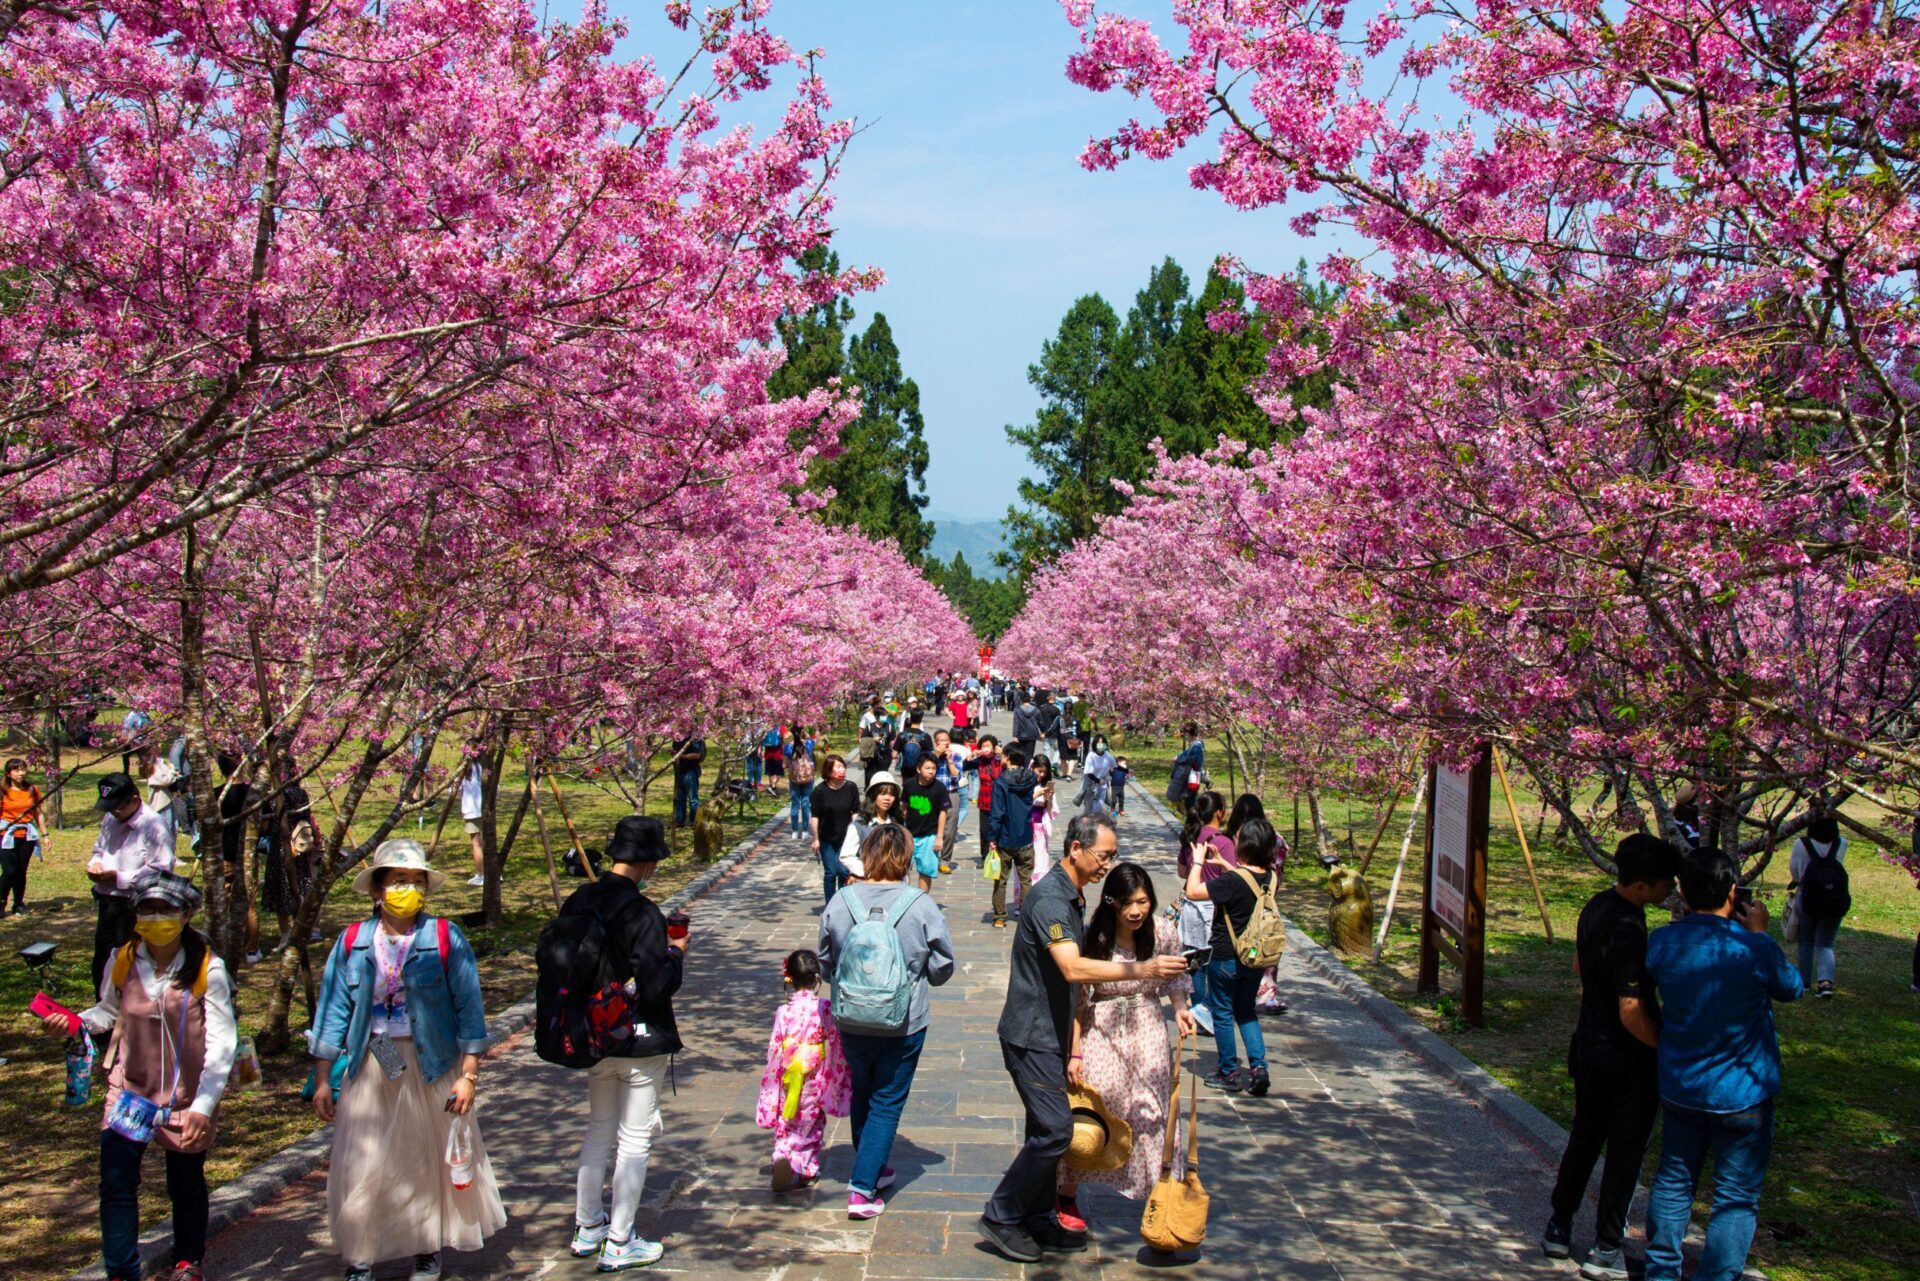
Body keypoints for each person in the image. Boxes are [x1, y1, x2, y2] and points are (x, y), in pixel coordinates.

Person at [978, 814, 1188, 1263]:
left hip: (1052, 1032)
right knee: (1057, 1132)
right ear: (1075, 848)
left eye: (1112, 856)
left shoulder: (1072, 895)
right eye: (1102, 855)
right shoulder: (1051, 900)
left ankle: (1039, 1217)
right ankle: (1001, 1214)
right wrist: (1143, 968)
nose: (1106, 865)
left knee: (1043, 1129)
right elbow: (1072, 968)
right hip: (1032, 1034)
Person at [311, 839, 505, 1281]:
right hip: (371, 1062)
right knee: (363, 1161)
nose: (408, 889)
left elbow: (469, 1008)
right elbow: (333, 1008)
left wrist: (469, 1075)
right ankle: (361, 1254)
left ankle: (425, 1247)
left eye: (417, 881)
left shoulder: (444, 937)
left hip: (430, 1063)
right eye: (398, 880)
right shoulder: (353, 942)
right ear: (377, 889)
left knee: (422, 1161)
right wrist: (323, 1077)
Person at [42, 869, 235, 1281]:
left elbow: (222, 1042)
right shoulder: (123, 959)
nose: (155, 918)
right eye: (147, 909)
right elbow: (107, 1011)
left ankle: (187, 1262)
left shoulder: (208, 967)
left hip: (186, 1098)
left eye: (165, 909)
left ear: (185, 914)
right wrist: (74, 1022)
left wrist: (204, 1106)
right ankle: (121, 1272)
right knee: (116, 1181)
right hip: (129, 1093)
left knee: (185, 1183)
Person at [1641, 850, 1803, 1281]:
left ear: (1681, 892)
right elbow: (1791, 988)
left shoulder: (1662, 942)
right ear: (1733, 892)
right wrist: (1761, 935)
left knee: (1674, 1181)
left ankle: (1661, 1271)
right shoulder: (1754, 947)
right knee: (1735, 1197)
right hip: (1743, 1091)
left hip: (1682, 1085)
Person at [1541, 834, 1683, 1276]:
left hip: (1589, 1046)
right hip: (1627, 1061)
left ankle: (1559, 1225)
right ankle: (1606, 1247)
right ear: (1642, 885)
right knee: (1624, 1152)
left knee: (1584, 1140)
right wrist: (1665, 1048)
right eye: (1665, 883)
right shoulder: (1629, 928)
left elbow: (1579, 966)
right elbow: (1631, 1010)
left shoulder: (1596, 905)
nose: (1670, 890)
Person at [554, 816, 686, 1270]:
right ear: (647, 863)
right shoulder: (642, 912)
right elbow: (656, 985)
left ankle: (588, 1225)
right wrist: (677, 953)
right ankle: (620, 1239)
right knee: (634, 1138)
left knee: (598, 1130)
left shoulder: (579, 900)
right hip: (637, 1039)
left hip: (591, 1036)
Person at [819, 824, 956, 1218]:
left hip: (852, 1017)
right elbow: (943, 966)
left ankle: (874, 1167)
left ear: (867, 856)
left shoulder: (841, 901)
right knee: (887, 1101)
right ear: (906, 859)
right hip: (903, 1020)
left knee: (863, 1090)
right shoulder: (920, 904)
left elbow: (825, 960)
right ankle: (862, 1189)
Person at [1056, 862, 1197, 1234]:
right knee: (1096, 1111)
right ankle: (1066, 1193)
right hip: (1102, 1030)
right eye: (1128, 903)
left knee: (1152, 1111)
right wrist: (1075, 1052)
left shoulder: (1163, 931)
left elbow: (1176, 977)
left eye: (1143, 902)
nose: (1136, 911)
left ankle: (1160, 1192)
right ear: (1112, 903)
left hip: (1147, 1029)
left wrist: (1181, 1009)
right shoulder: (1094, 937)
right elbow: (1079, 1000)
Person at [1181, 817, 1280, 1096]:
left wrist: (1197, 862)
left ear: (1244, 845)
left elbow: (1192, 891)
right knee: (1246, 1011)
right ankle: (1259, 1068)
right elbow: (1247, 882)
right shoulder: (1271, 878)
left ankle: (1229, 1071)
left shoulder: (1231, 882)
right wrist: (1224, 864)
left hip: (1227, 957)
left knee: (1222, 1012)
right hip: (1255, 957)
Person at [758, 949, 850, 1193]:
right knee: (810, 1122)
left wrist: (772, 1082)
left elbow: (774, 1049)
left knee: (786, 1118)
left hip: (788, 1074)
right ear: (817, 978)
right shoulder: (824, 1008)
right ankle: (803, 1168)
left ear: (789, 979)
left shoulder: (783, 1012)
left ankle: (781, 1156)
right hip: (814, 1076)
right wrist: (838, 1073)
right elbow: (836, 1042)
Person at [87, 772, 177, 992]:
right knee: (102, 963)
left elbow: (160, 870)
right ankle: (102, 1005)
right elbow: (99, 850)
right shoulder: (111, 818)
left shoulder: (154, 826)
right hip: (106, 901)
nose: (113, 813)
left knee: (128, 964)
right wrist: (95, 865)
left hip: (133, 906)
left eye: (117, 808)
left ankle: (125, 1007)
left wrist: (118, 877)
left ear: (134, 800)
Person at [1787, 811, 1848, 998]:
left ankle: (1804, 982)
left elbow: (1795, 871)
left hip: (1807, 898)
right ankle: (1825, 983)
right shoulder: (1841, 843)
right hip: (1834, 899)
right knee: (1826, 943)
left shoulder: (1801, 844)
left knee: (1806, 941)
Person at [986, 746, 1039, 928]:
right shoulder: (1031, 778)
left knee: (1000, 880)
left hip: (1005, 837)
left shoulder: (1001, 782)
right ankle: (1025, 916)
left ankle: (999, 917)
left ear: (1008, 757)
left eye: (1002, 755)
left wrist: (992, 837)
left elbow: (997, 812)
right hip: (1025, 835)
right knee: (1026, 880)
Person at [809, 754, 859, 904]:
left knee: (843, 871)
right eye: (838, 767)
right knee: (831, 872)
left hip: (846, 838)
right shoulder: (819, 791)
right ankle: (830, 904)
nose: (841, 769)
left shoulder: (851, 787)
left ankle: (843, 904)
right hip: (826, 838)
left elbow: (855, 811)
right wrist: (815, 839)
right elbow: (815, 816)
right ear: (829, 770)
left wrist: (857, 833)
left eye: (843, 766)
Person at [901, 753, 951, 892]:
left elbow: (943, 812)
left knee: (925, 871)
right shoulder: (909, 784)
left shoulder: (940, 788)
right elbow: (904, 807)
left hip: (929, 836)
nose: (931, 771)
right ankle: (904, 899)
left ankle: (922, 899)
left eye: (934, 768)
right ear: (919, 769)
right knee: (902, 870)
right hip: (909, 835)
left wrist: (939, 837)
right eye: (927, 768)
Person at [2, 756, 45, 914]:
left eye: (23, 769)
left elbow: (38, 813)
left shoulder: (32, 790)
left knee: (21, 870)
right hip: (6, 835)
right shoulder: (3, 791)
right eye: (16, 770)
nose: (21, 773)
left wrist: (45, 834)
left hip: (27, 836)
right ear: (8, 773)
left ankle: (18, 904)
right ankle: (1, 902)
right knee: (9, 871)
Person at [842, 772, 905, 875]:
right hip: (869, 880)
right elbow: (846, 856)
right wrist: (868, 872)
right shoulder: (860, 825)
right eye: (883, 793)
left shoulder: (899, 822)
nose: (887, 798)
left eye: (892, 794)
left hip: (894, 879)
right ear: (873, 795)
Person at [964, 734, 1004, 863]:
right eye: (983, 746)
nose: (985, 748)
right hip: (985, 799)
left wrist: (999, 756)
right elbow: (964, 766)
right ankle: (985, 856)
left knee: (998, 828)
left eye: (988, 746)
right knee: (984, 829)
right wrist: (971, 755)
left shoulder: (1000, 759)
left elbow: (999, 773)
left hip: (999, 799)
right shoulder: (979, 760)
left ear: (994, 747)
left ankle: (999, 855)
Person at [459, 747, 488, 886]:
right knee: (488, 843)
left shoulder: (464, 770)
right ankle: (493, 872)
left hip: (471, 811)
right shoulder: (485, 768)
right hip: (486, 809)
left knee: (476, 844)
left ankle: (482, 875)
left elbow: (455, 789)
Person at [1029, 755, 1058, 882]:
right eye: (1039, 771)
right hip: (1026, 826)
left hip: (1040, 828)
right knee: (1026, 862)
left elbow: (1051, 812)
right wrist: (1036, 795)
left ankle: (1039, 888)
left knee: (1041, 861)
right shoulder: (1024, 784)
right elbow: (1020, 804)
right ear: (1032, 768)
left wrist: (1049, 799)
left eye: (1045, 772)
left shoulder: (1045, 785)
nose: (1042, 774)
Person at [1169, 723, 1206, 814]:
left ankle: (1192, 818)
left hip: (1192, 776)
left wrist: (1179, 759)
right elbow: (1187, 753)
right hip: (1190, 775)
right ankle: (1190, 816)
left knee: (1190, 799)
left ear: (1189, 733)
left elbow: (1194, 760)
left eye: (1185, 733)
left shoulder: (1196, 745)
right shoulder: (1195, 744)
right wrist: (1179, 756)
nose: (1185, 735)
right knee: (1189, 798)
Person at [670, 734, 705, 827]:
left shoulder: (694, 737)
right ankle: (679, 820)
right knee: (680, 797)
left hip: (690, 771)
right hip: (679, 770)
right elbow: (676, 752)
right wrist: (673, 752)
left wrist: (680, 756)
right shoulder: (677, 736)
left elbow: (697, 755)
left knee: (693, 798)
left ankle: (694, 821)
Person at [786, 733, 815, 841]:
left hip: (794, 778)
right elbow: (815, 740)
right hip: (808, 777)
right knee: (806, 802)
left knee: (795, 803)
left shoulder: (788, 746)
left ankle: (794, 831)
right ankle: (805, 831)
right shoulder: (809, 744)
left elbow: (784, 764)